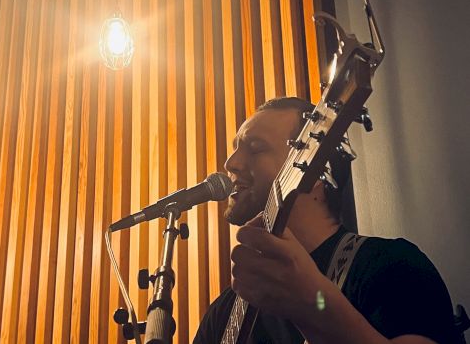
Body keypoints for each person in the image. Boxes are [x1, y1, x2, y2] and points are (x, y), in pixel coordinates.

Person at [193, 97, 458, 344]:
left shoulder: (391, 267)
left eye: (256, 148)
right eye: (236, 149)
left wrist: (313, 307)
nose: (230, 162)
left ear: (314, 166)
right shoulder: (224, 313)